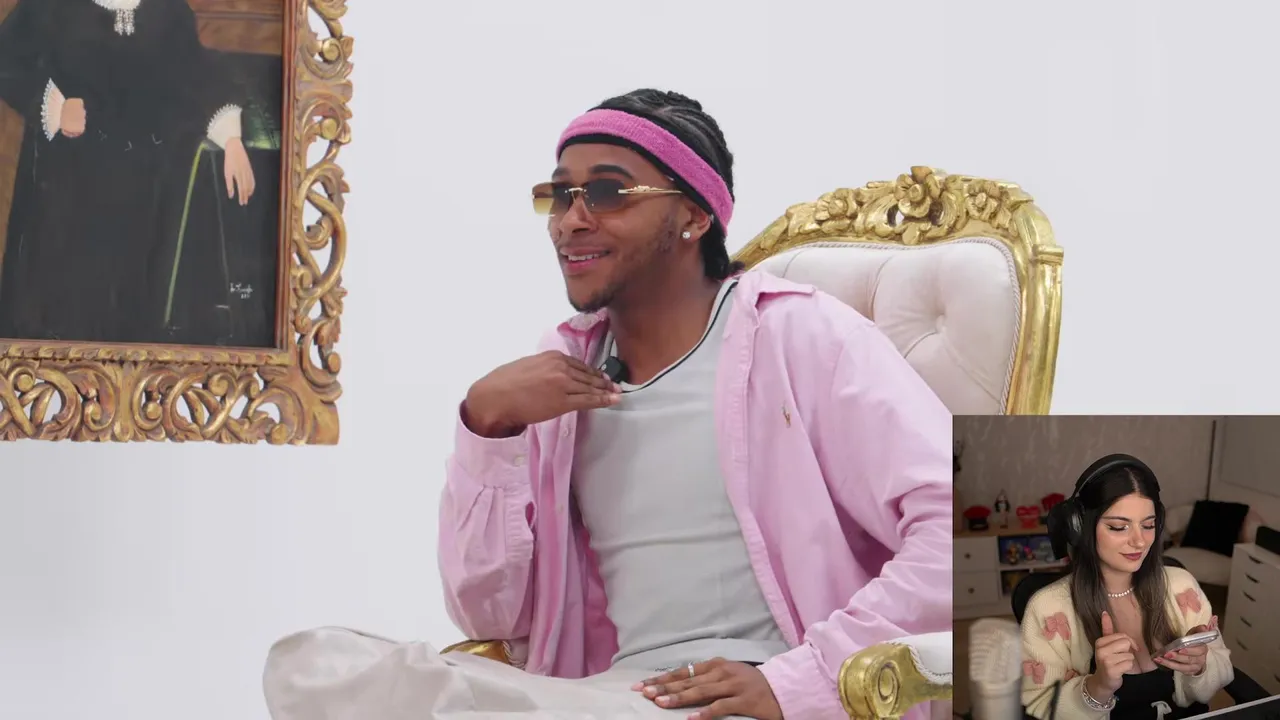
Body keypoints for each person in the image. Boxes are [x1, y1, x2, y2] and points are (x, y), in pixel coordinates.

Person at [262, 89, 952, 720]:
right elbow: (490, 617)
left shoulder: (799, 333)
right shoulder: (562, 376)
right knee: (310, 665)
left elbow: (975, 532)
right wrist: (487, 428)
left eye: (607, 192)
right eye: (559, 196)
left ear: (694, 215)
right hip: (614, 696)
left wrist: (799, 679)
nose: (572, 220)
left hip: (750, 694)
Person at [0, 0, 256, 344]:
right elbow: (6, 59)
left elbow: (194, 75)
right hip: (66, 197)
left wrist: (232, 139)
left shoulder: (169, 11)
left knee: (135, 322)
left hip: (143, 200)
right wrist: (53, 107)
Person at [1022, 455, 1233, 720]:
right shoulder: (1047, 609)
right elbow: (1039, 708)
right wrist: (1097, 688)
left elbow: (1224, 670)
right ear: (1080, 528)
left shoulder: (1182, 587)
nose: (1139, 541)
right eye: (1119, 527)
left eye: (1148, 525)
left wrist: (1201, 667)